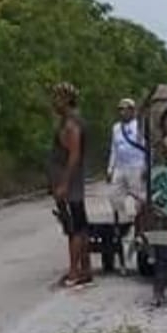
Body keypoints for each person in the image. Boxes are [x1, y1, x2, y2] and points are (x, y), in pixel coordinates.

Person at [48, 82, 91, 290]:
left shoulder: (71, 124)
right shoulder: (70, 121)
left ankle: (75, 271)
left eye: (57, 97)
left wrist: (64, 183)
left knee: (74, 228)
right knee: (80, 225)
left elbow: (74, 155)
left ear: (66, 99)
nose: (53, 102)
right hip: (70, 182)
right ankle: (85, 268)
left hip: (71, 184)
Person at [106, 97, 146, 224]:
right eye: (120, 109)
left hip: (136, 166)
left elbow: (147, 147)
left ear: (132, 111)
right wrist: (110, 168)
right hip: (120, 166)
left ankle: (139, 220)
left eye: (125, 109)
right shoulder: (116, 128)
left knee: (138, 196)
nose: (122, 112)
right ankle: (123, 220)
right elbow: (114, 148)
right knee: (114, 195)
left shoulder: (140, 126)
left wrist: (146, 166)